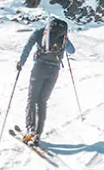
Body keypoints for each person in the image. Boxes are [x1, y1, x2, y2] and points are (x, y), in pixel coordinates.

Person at [16, 16, 75, 145]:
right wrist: (65, 39)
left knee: (32, 99)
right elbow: (72, 51)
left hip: (39, 68)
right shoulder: (62, 36)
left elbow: (27, 47)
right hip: (54, 71)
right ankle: (37, 134)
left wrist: (21, 63)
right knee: (42, 101)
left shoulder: (39, 32)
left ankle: (30, 130)